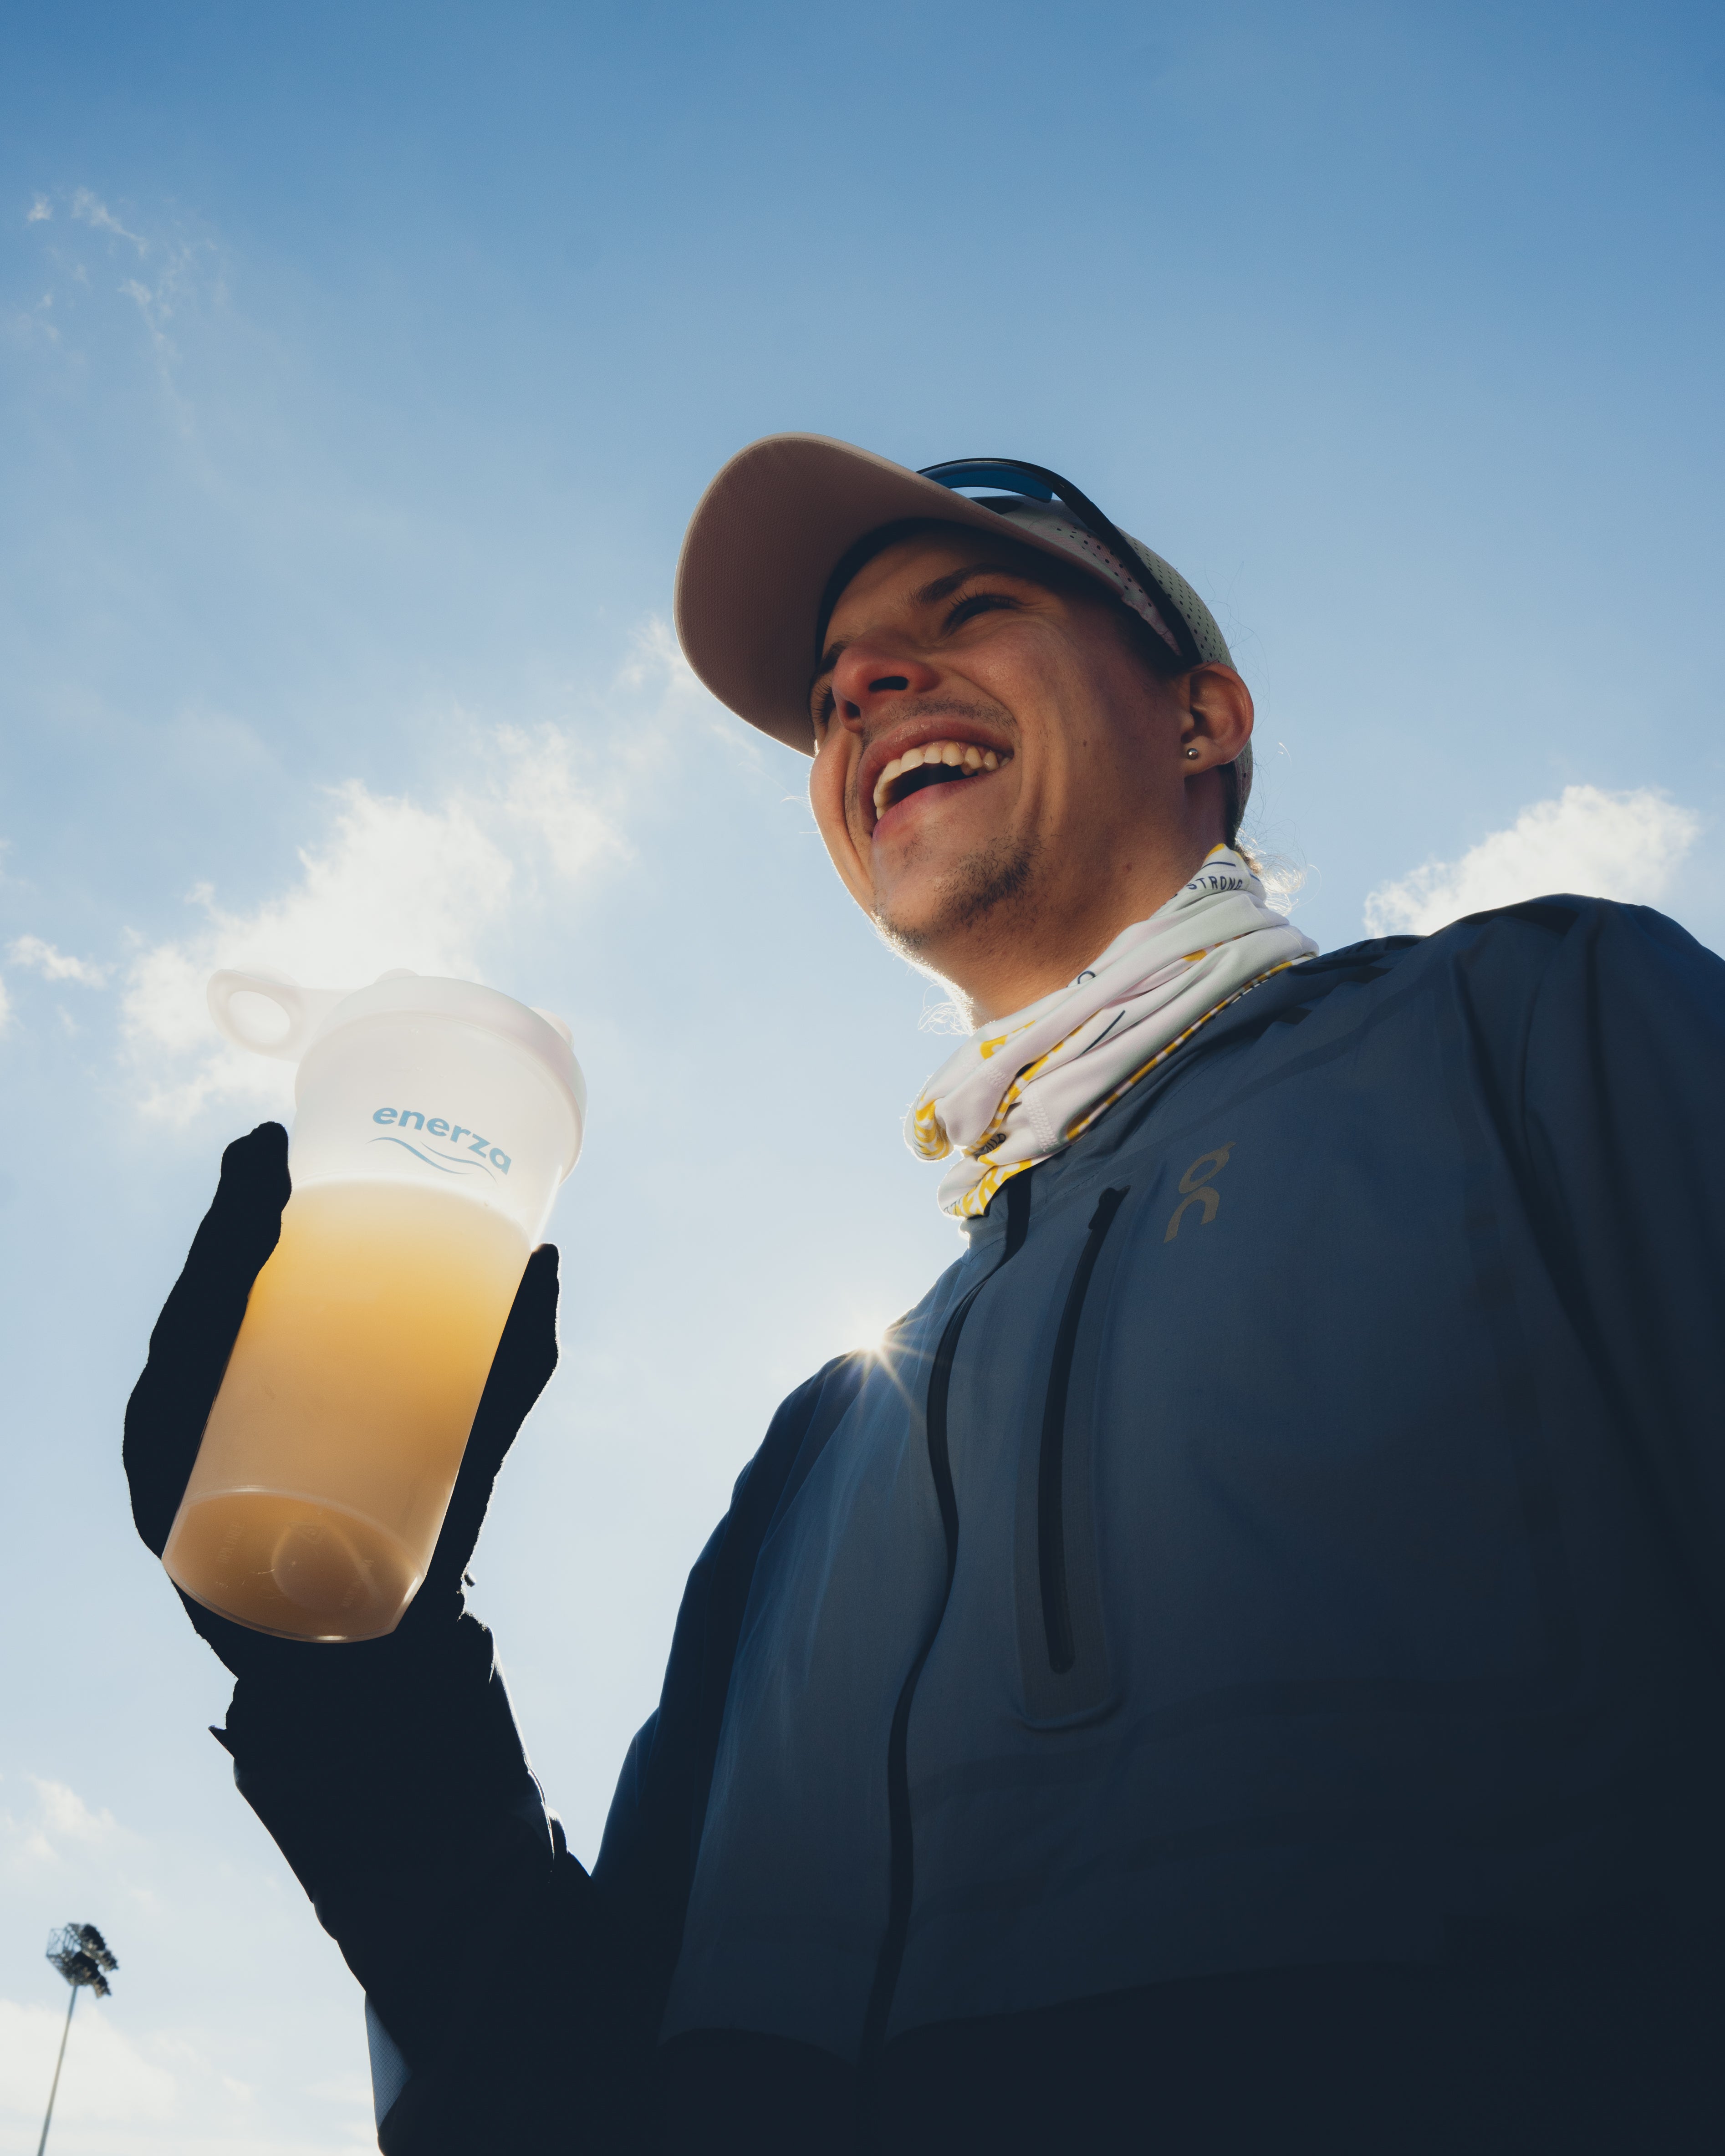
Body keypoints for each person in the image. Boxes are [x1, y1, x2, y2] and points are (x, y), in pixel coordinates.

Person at [125, 436, 1725, 2154]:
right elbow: (580, 2088)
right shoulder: (821, 1443)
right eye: (827, 697)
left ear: (1203, 719)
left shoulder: (1542, 1029)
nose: (866, 689)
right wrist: (354, 1681)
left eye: (967, 608)